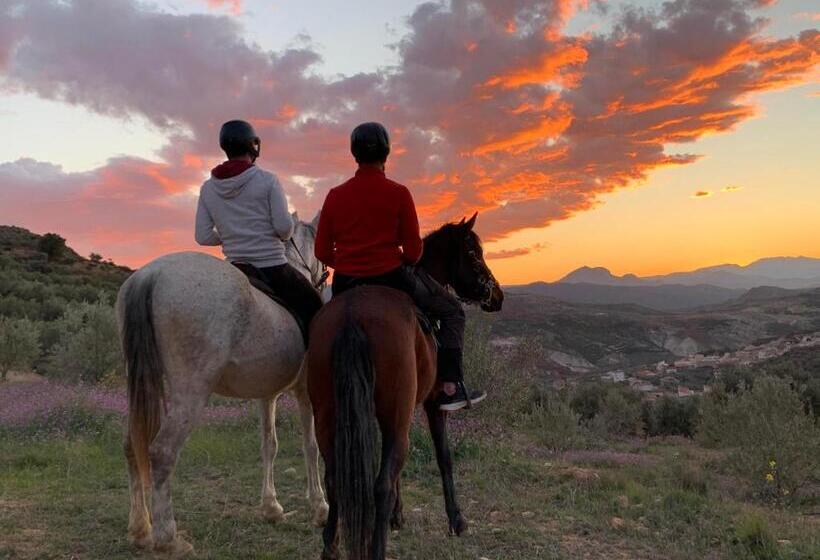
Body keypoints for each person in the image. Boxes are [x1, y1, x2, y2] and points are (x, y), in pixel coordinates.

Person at [314, 122, 486, 411]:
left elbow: (321, 251)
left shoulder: (334, 195)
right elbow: (415, 251)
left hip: (345, 282)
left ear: (354, 154)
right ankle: (448, 387)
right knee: (453, 311)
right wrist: (398, 260)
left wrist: (345, 262)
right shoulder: (399, 193)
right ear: (387, 153)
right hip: (392, 277)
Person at [195, 119, 322, 333]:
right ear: (253, 146)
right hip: (272, 267)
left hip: (234, 267)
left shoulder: (208, 188)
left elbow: (202, 236)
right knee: (318, 313)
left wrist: (229, 236)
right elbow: (283, 228)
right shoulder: (268, 180)